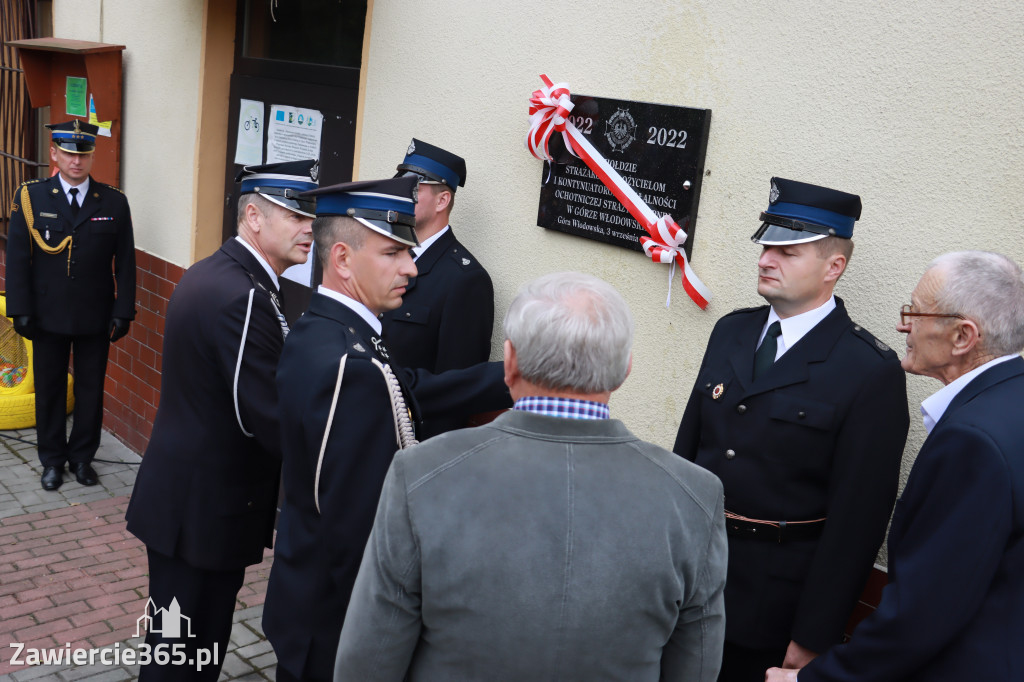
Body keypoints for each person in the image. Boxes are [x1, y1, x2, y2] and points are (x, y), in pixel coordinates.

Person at [334, 271, 728, 681]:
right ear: (625, 369)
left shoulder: (420, 475)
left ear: (509, 362)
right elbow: (695, 669)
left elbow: (368, 663)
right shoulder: (695, 497)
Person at [262, 176, 511, 682]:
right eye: (394, 253)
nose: (412, 269)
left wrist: (511, 375)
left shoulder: (330, 331)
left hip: (306, 598)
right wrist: (392, 638)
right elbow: (355, 532)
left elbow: (407, 385)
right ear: (344, 260)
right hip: (335, 626)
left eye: (409, 252)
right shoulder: (350, 364)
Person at [672, 177, 910, 680]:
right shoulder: (732, 331)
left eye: (787, 250)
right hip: (690, 580)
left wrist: (814, 634)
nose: (765, 259)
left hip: (773, 604)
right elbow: (687, 454)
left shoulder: (867, 370)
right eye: (765, 245)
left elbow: (859, 520)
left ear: (834, 267)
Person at [767, 251, 1024, 682]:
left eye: (915, 313)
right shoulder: (1009, 403)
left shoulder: (971, 442)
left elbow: (924, 614)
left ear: (963, 336)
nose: (904, 325)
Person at [124, 159, 318, 681]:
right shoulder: (246, 295)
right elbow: (263, 417)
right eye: (296, 215)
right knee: (186, 658)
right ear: (253, 216)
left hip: (186, 502)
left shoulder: (216, 273)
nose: (310, 229)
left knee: (174, 649)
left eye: (313, 217)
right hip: (204, 512)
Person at [5, 120, 136, 491]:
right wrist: (20, 309)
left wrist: (123, 310)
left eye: (84, 154)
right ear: (55, 155)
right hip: (46, 315)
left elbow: (125, 262)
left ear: (92, 156)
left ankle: (82, 459)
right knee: (48, 389)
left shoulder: (113, 201)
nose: (76, 162)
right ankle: (52, 461)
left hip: (95, 315)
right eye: (69, 154)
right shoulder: (32, 198)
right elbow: (17, 259)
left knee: (91, 390)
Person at [380, 138, 494, 437]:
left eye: (413, 189)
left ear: (442, 201)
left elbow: (456, 392)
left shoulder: (465, 280)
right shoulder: (385, 254)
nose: (400, 195)